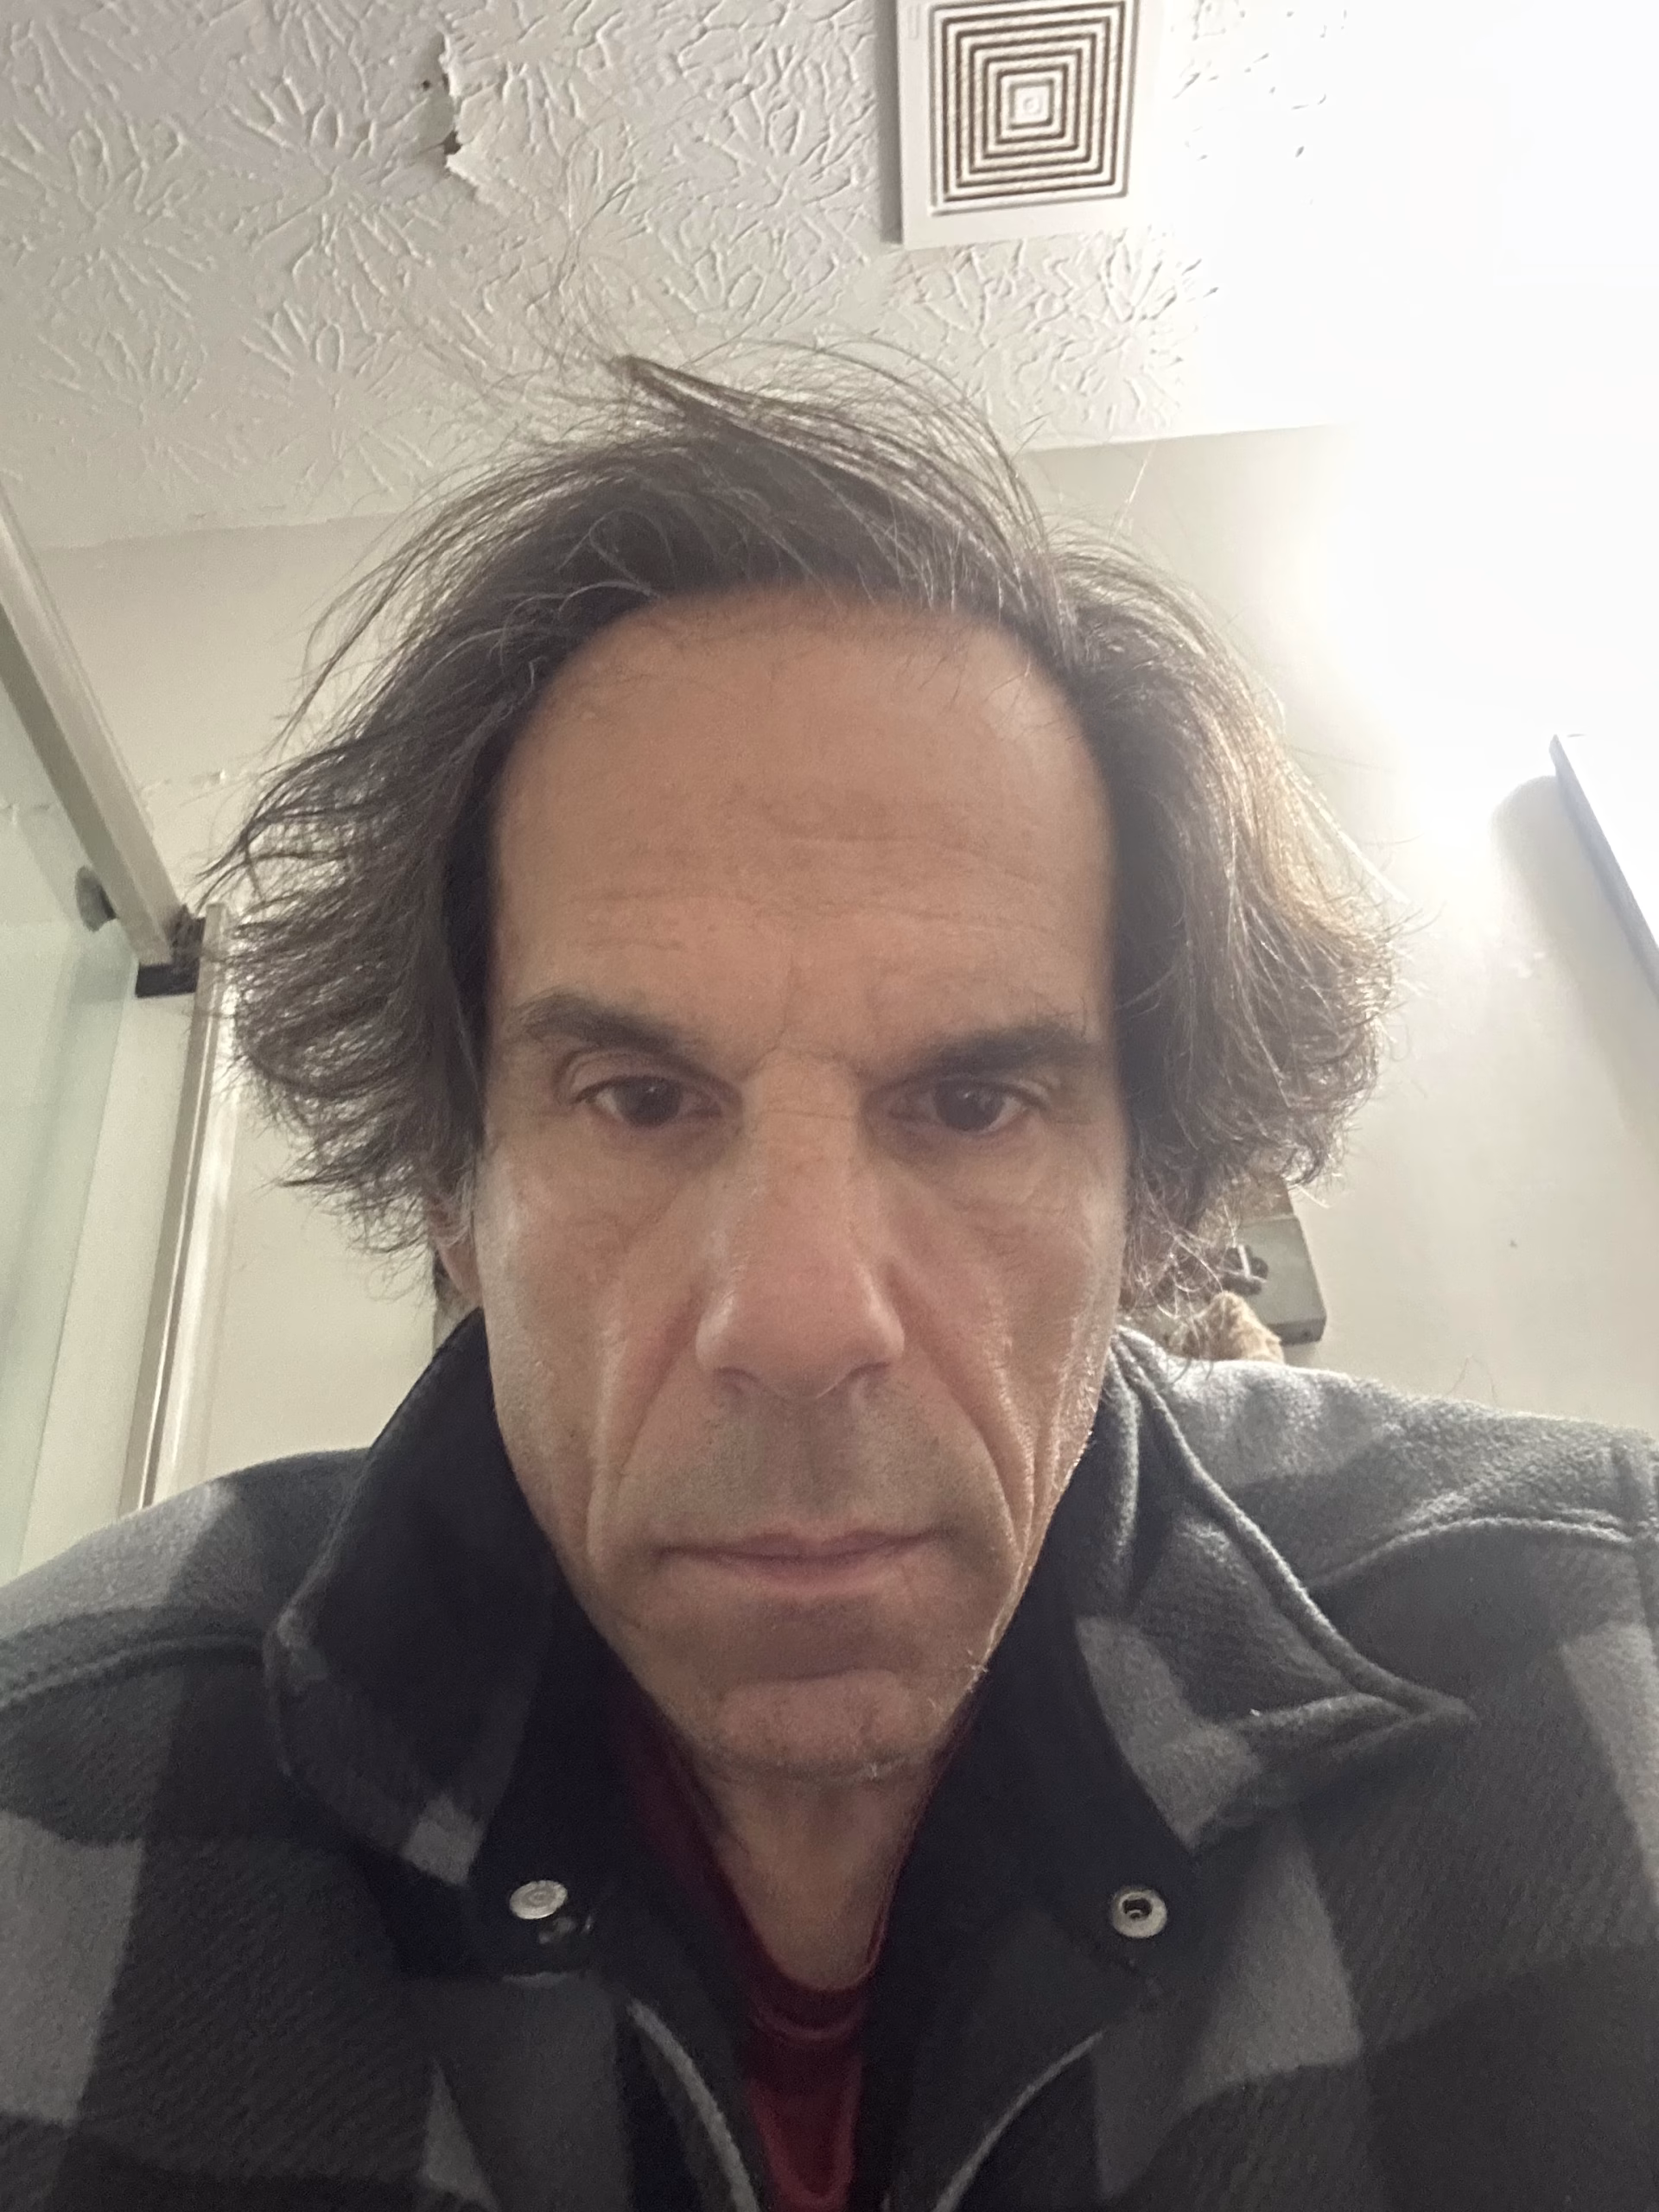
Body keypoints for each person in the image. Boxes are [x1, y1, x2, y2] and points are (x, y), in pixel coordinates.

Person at [2, 355, 1656, 2212]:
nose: (796, 1325)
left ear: (1149, 1202)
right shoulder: (45, 1807)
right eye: (638, 1098)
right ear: (456, 1194)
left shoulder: (1613, 1662)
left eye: (973, 1100)